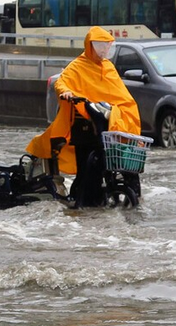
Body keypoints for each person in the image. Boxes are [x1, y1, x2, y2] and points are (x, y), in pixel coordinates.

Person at [26, 26, 141, 203]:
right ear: (90, 46)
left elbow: (119, 94)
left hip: (105, 121)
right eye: (99, 46)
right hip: (85, 126)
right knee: (88, 170)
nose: (103, 50)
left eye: (106, 46)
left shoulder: (108, 67)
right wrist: (67, 93)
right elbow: (62, 83)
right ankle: (85, 200)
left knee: (116, 159)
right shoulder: (78, 66)